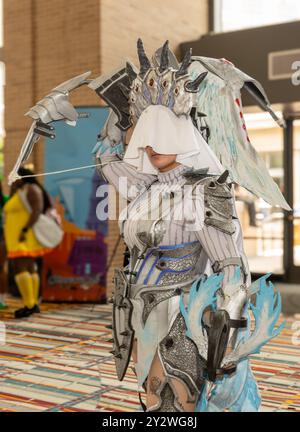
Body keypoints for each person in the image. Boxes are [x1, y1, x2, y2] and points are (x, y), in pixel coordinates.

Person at [7, 39, 288, 411]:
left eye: (160, 133)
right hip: (138, 311)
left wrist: (224, 336)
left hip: (181, 316)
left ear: (181, 133)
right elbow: (107, 158)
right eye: (145, 133)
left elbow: (231, 269)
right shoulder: (145, 185)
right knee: (152, 396)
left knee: (179, 397)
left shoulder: (204, 192)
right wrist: (115, 115)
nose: (150, 144)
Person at [3, 167, 52, 318]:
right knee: (29, 267)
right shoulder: (21, 190)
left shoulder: (31, 189)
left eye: (13, 176)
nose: (11, 179)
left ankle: (29, 305)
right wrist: (13, 187)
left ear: (21, 176)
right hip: (17, 236)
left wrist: (24, 230)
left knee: (21, 267)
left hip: (23, 236)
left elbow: (37, 211)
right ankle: (32, 304)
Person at [0, 180, 9, 309]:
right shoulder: (6, 200)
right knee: (1, 268)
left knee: (1, 268)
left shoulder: (6, 200)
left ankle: (2, 299)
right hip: (3, 236)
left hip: (2, 236)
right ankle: (2, 299)